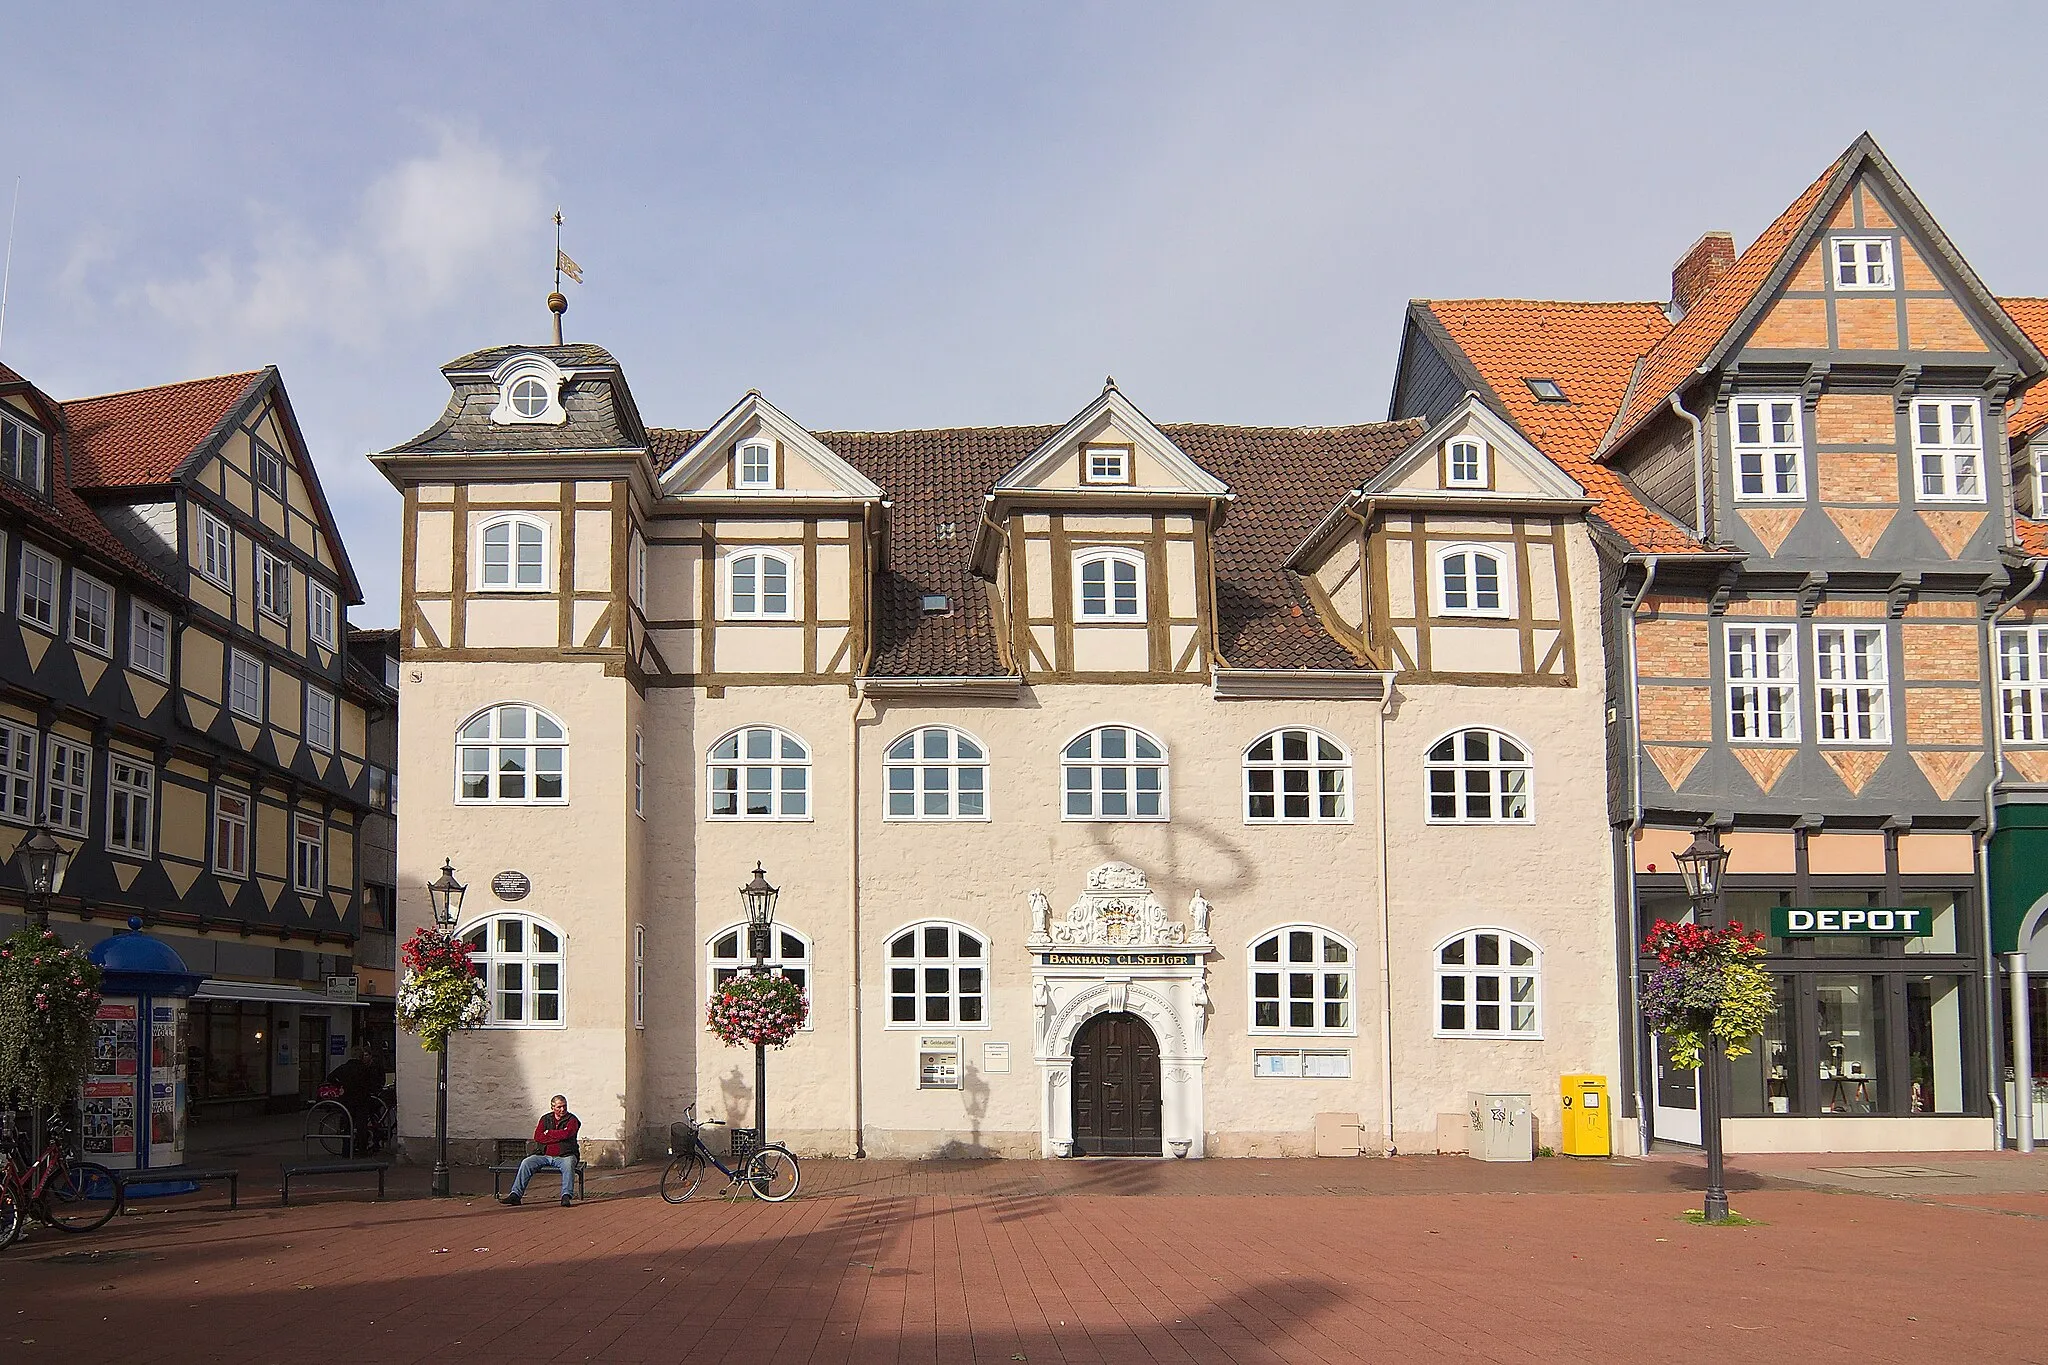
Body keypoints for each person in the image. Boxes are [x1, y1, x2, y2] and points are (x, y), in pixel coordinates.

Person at [500, 1095, 580, 1206]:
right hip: (543, 1154)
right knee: (526, 1163)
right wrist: (558, 1137)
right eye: (559, 1107)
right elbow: (538, 1136)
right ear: (553, 1107)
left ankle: (566, 1195)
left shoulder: (572, 1120)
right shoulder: (545, 1119)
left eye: (564, 1106)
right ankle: (516, 1195)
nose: (563, 1110)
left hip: (565, 1155)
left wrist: (549, 1133)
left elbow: (567, 1134)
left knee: (569, 1164)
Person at [326, 1045, 382, 1154]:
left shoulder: (344, 1068)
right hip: (362, 1100)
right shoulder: (365, 1069)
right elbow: (371, 1084)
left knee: (347, 1125)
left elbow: (330, 1077)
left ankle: (346, 1150)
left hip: (346, 1100)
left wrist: (340, 1085)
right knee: (362, 1126)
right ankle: (362, 1149)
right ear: (361, 1057)